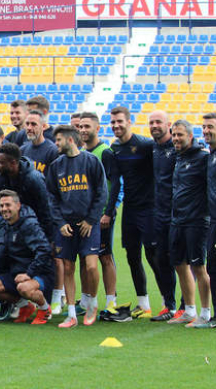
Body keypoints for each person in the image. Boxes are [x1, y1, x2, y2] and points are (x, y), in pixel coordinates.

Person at [46, 125, 107, 328]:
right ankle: (71, 314)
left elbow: (102, 193)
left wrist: (91, 220)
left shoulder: (91, 161)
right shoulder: (56, 166)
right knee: (68, 267)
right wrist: (60, 223)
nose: (56, 144)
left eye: (59, 140)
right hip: (66, 226)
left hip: (88, 223)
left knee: (90, 266)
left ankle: (92, 302)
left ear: (70, 140)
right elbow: (51, 197)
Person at [109, 106, 161, 318]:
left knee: (153, 256)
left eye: (120, 121)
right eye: (112, 122)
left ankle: (171, 303)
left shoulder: (145, 145)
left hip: (149, 209)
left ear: (129, 122)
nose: (116, 125)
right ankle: (144, 304)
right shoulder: (115, 148)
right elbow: (115, 182)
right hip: (129, 209)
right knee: (132, 256)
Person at [0, 190, 54, 325]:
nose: (4, 209)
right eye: (2, 206)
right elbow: (2, 250)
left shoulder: (29, 225)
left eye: (8, 205)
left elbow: (44, 250)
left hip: (40, 273)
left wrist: (29, 273)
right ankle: (25, 306)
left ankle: (45, 309)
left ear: (18, 206)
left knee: (24, 288)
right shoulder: (6, 225)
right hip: (17, 273)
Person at [167, 119, 212, 327]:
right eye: (174, 135)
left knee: (199, 266)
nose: (176, 138)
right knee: (179, 263)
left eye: (180, 135)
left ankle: (205, 312)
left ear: (190, 136)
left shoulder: (202, 157)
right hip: (178, 220)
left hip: (196, 221)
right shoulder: (178, 156)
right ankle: (189, 310)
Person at [78, 111, 121, 312]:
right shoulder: (80, 153)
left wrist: (109, 212)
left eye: (87, 126)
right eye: (80, 127)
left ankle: (111, 300)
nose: (83, 130)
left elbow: (114, 185)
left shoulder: (105, 152)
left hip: (101, 216)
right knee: (84, 258)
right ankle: (85, 299)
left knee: (104, 256)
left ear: (97, 128)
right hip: (84, 216)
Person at [148, 110, 181, 320]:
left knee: (182, 261)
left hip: (178, 214)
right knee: (161, 259)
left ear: (168, 124)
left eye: (158, 122)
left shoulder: (178, 149)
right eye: (151, 122)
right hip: (158, 214)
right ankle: (169, 304)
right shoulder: (152, 149)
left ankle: (186, 306)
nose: (154, 125)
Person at [200, 112, 216, 328]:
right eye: (204, 127)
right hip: (212, 220)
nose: (206, 131)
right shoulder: (210, 156)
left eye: (210, 127)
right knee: (212, 267)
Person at [20, 110, 59, 175]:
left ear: (43, 126)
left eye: (33, 124)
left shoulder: (53, 151)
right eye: (27, 124)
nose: (29, 128)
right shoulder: (22, 150)